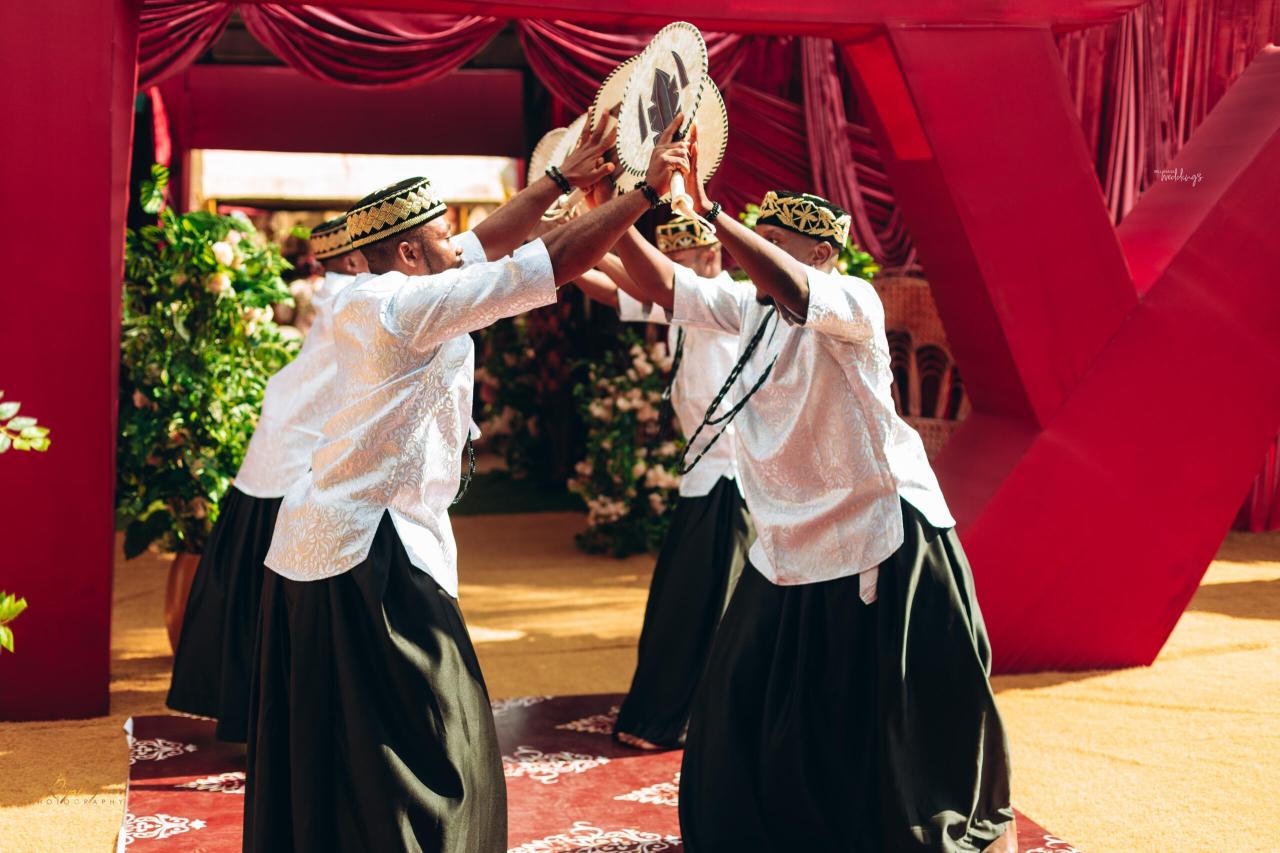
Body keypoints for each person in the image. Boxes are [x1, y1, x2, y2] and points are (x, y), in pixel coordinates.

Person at [243, 116, 692, 853]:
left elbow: (491, 241)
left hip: (322, 544)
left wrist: (558, 181)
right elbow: (550, 259)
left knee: (347, 746)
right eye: (445, 236)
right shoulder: (408, 307)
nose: (462, 245)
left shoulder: (382, 289)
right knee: (438, 741)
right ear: (410, 252)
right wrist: (643, 193)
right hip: (367, 552)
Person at [618, 133, 1017, 852]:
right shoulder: (749, 310)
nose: (754, 255)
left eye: (774, 243)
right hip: (789, 537)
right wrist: (621, 211)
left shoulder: (851, 300)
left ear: (822, 252)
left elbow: (794, 287)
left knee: (882, 715)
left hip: (882, 530)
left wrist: (714, 214)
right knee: (740, 692)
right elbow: (663, 287)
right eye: (758, 239)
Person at [166, 217, 368, 743]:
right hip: (292, 470)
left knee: (259, 605)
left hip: (278, 462)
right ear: (352, 260)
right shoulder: (353, 299)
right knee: (290, 608)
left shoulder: (338, 294)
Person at [574, 215, 752, 750]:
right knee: (685, 604)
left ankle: (698, 715)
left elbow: (646, 284)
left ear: (711, 256)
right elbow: (615, 294)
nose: (664, 271)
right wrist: (571, 249)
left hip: (734, 479)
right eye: (668, 260)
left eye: (678, 261)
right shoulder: (683, 305)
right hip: (704, 476)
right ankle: (687, 711)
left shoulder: (725, 303)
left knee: (704, 606)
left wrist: (597, 236)